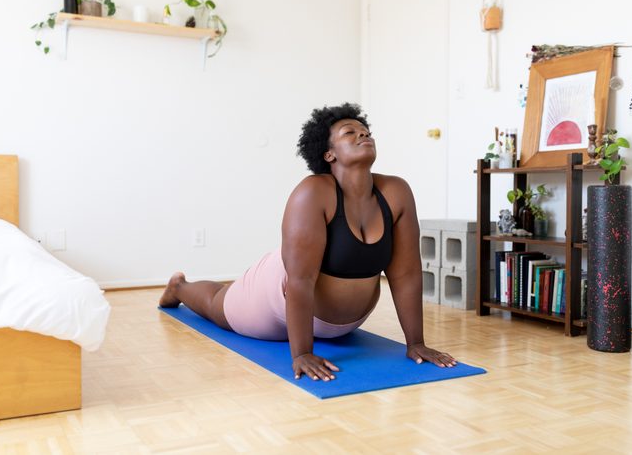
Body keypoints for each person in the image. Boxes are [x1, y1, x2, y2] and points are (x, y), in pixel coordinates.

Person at [159, 103, 457, 382]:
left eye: (365, 130)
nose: (363, 133)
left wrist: (416, 343)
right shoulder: (312, 192)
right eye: (349, 132)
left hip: (342, 325)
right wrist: (301, 352)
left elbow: (405, 274)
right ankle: (179, 288)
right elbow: (299, 280)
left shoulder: (396, 191)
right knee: (218, 305)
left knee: (226, 296)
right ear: (329, 154)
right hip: (276, 296)